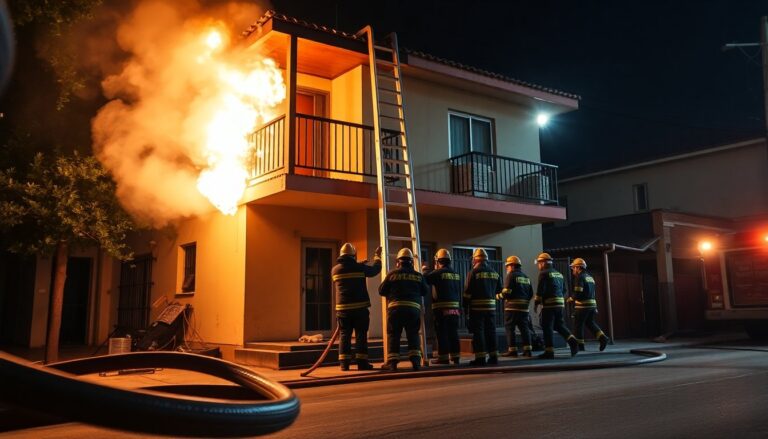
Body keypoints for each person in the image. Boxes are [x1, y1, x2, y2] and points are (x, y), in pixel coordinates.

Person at [331, 242, 382, 371]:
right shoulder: (360, 268)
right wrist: (377, 257)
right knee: (361, 335)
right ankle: (362, 363)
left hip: (343, 310)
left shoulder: (335, 270)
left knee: (344, 335)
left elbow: (348, 267)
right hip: (360, 310)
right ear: (354, 255)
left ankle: (344, 364)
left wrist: (358, 264)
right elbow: (375, 270)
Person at [379, 248, 430, 371]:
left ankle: (392, 363)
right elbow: (425, 291)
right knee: (413, 335)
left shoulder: (392, 274)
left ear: (398, 262)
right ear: (412, 262)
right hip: (413, 310)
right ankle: (416, 362)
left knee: (394, 335)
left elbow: (381, 291)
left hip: (395, 310)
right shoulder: (418, 276)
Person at [534, 252, 579, 359]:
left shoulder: (543, 273)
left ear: (544, 263)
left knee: (547, 327)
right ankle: (573, 341)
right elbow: (564, 290)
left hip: (549, 305)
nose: (538, 266)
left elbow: (540, 290)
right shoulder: (559, 274)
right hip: (559, 304)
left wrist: (536, 303)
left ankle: (549, 351)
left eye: (539, 263)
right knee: (559, 325)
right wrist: (559, 300)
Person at [423, 248, 462, 365]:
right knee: (453, 333)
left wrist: (424, 270)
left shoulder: (438, 273)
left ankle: (443, 358)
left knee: (442, 333)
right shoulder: (456, 274)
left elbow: (424, 280)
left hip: (441, 309)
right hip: (455, 309)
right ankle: (455, 358)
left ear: (438, 261)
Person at [463, 248, 502, 366]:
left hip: (477, 308)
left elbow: (467, 292)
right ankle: (494, 357)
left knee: (478, 332)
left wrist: (465, 307)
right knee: (491, 331)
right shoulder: (495, 273)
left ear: (475, 259)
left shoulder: (473, 272)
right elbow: (499, 291)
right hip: (491, 308)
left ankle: (480, 358)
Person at [569, 258, 611, 351]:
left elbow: (578, 293)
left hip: (582, 306)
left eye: (573, 268)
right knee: (590, 323)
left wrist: (570, 299)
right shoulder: (590, 277)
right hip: (591, 305)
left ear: (578, 268)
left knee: (578, 326)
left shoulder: (579, 277)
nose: (573, 270)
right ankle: (603, 338)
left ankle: (580, 346)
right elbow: (593, 292)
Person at [497, 256, 534, 358]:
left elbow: (506, 293)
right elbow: (531, 293)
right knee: (524, 328)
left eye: (508, 266)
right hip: (524, 308)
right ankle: (528, 350)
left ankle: (512, 350)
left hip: (512, 307)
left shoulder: (511, 276)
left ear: (512, 266)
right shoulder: (526, 277)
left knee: (510, 328)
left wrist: (498, 296)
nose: (507, 269)